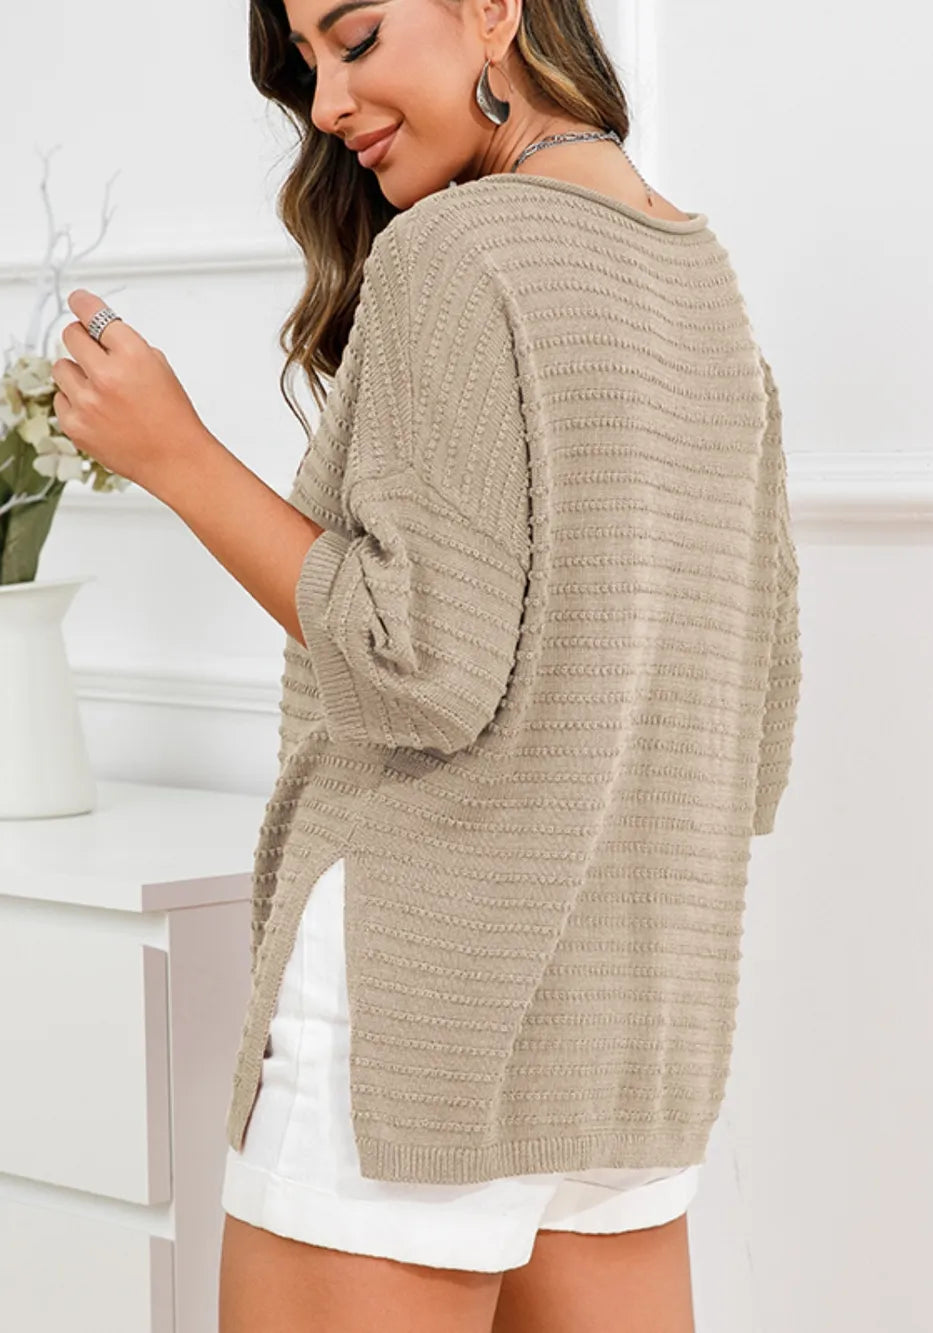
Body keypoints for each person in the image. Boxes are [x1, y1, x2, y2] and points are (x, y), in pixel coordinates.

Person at [217, 2, 802, 1331]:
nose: (326, 104)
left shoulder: (456, 250)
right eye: (307, 64)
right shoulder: (697, 273)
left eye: (357, 38)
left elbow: (412, 666)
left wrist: (171, 452)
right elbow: (756, 725)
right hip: (629, 1022)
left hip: (415, 1011)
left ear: (493, 9)